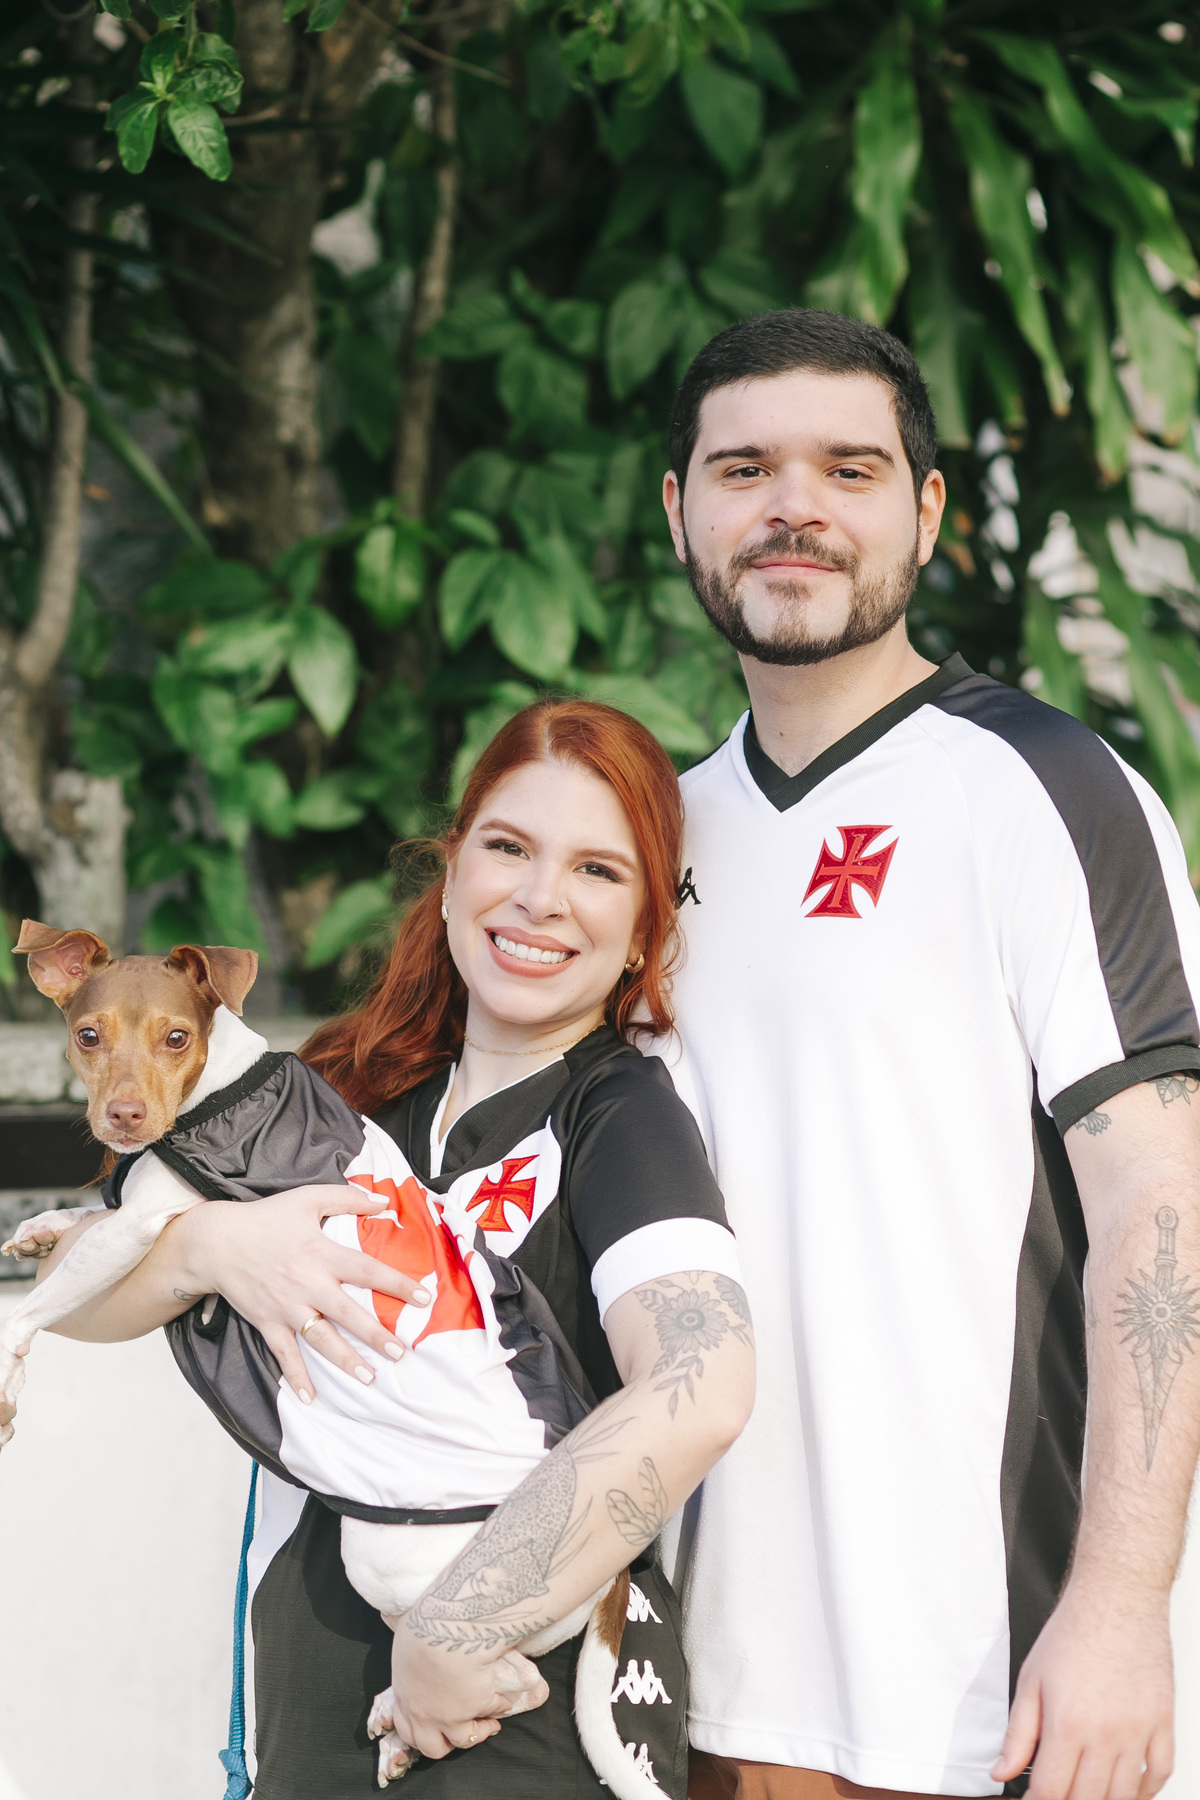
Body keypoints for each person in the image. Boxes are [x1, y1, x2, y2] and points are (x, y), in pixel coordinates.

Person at [658, 309, 1200, 1800]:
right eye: (746, 469)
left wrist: (1122, 1607)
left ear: (928, 511)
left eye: (851, 469)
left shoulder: (1044, 793)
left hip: (979, 1687)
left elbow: (1161, 1208)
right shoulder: (648, 837)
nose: (796, 509)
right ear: (681, 508)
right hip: (687, 1685)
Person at [34, 700, 755, 1800]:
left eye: (598, 870)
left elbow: (704, 1385)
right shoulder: (337, 1091)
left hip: (503, 1736)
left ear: (648, 923)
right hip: (303, 1723)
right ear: (452, 871)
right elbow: (75, 1298)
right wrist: (211, 1248)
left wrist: (456, 1629)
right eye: (508, 848)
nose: (541, 897)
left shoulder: (622, 1118)